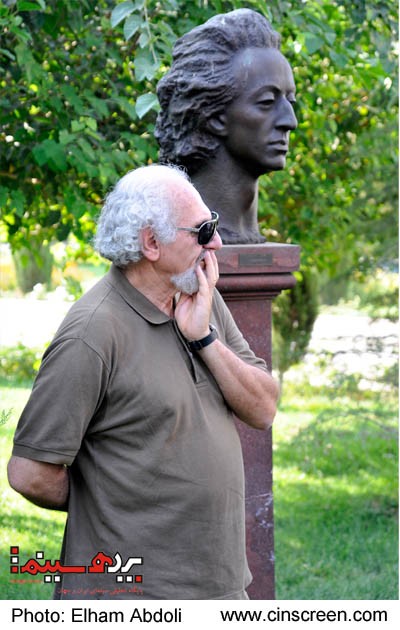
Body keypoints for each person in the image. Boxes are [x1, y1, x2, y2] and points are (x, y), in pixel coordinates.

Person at [8, 163, 279, 600]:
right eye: (203, 231)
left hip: (221, 588)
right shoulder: (92, 333)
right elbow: (29, 473)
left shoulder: (199, 294)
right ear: (151, 243)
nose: (216, 242)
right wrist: (110, 507)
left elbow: (263, 409)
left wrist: (204, 338)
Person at [155, 8, 298, 244]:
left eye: (290, 101)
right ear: (215, 116)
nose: (290, 122)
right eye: (266, 102)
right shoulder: (173, 245)